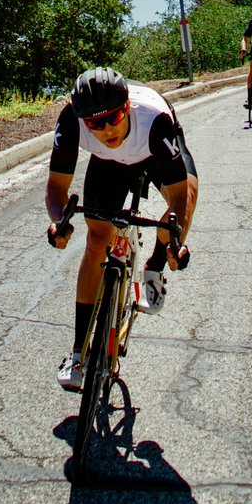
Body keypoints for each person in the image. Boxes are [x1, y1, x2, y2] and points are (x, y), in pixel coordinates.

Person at [45, 66, 197, 392]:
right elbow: (57, 188)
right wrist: (59, 222)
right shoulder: (72, 121)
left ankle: (154, 269)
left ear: (126, 107)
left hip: (154, 153)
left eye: (112, 118)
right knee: (96, 240)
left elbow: (179, 197)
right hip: (108, 164)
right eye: (95, 124)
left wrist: (174, 241)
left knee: (185, 202)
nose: (105, 129)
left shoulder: (154, 122)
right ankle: (77, 353)